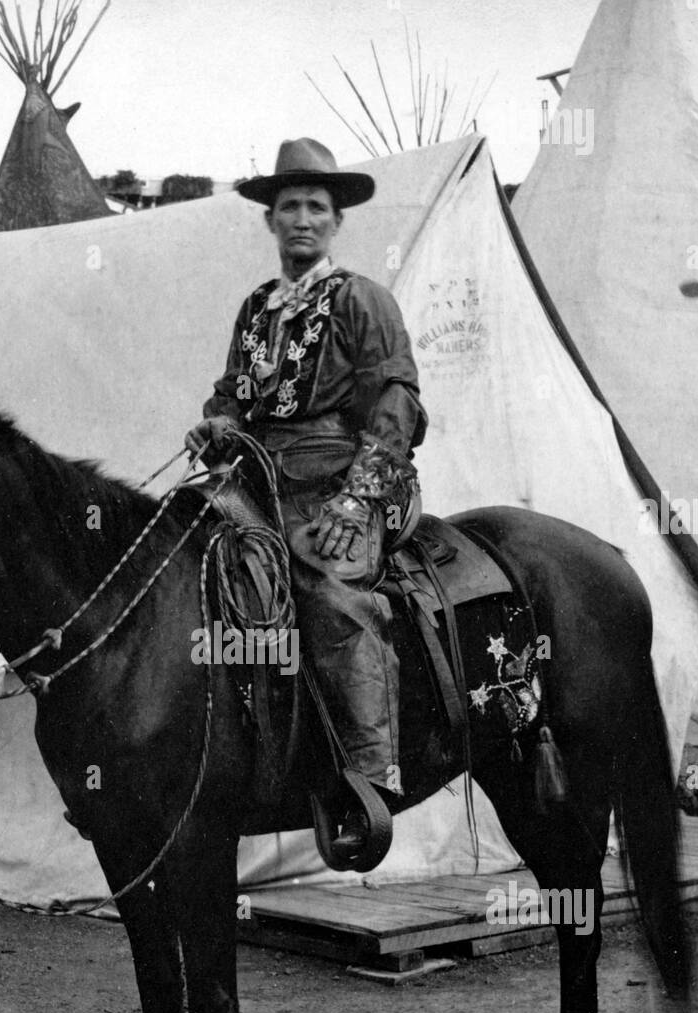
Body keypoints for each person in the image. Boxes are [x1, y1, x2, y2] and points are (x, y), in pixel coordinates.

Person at [186, 138, 427, 855]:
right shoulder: (256, 308)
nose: (301, 219)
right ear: (269, 220)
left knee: (329, 591)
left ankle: (367, 775)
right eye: (287, 206)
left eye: (314, 207)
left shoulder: (361, 299)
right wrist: (218, 423)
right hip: (254, 481)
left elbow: (396, 402)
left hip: (340, 479)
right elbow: (232, 392)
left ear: (335, 221)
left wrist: (355, 503)